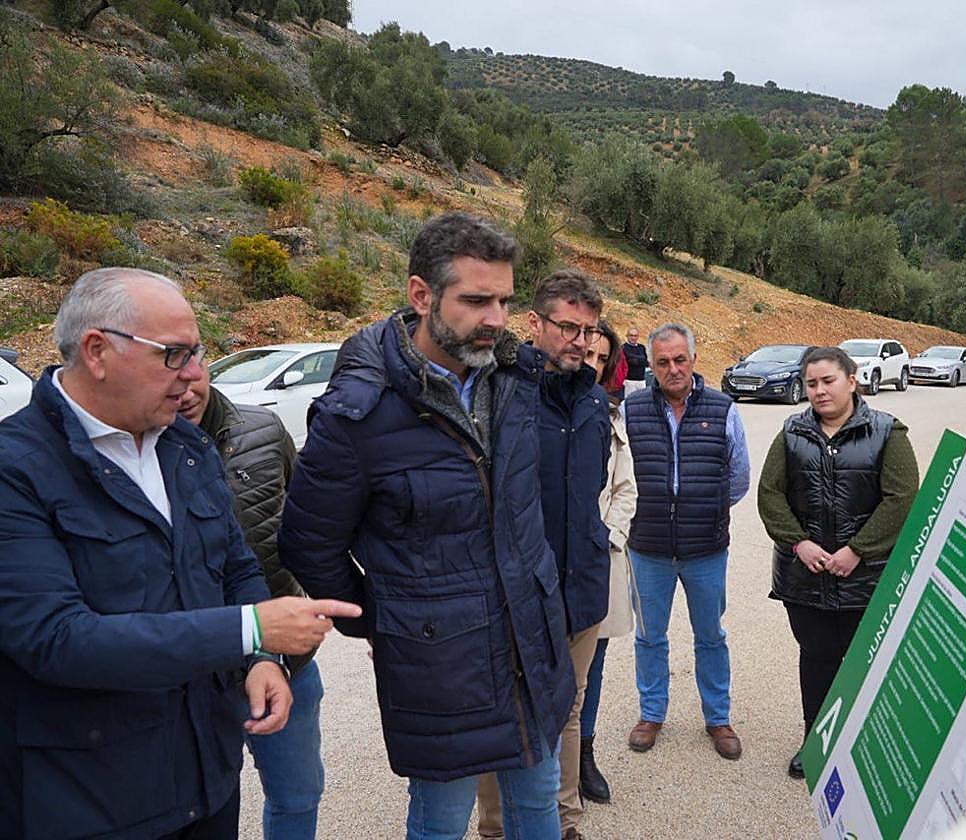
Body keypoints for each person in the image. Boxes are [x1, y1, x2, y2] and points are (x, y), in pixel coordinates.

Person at [0, 268, 357, 840]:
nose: (195, 376)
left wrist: (261, 658)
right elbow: (56, 639)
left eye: (198, 354)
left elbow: (236, 565)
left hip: (206, 786)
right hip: (89, 801)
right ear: (97, 351)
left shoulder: (184, 446)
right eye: (174, 355)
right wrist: (249, 628)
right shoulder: (15, 468)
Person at [278, 212, 575, 840]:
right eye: (475, 299)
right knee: (441, 819)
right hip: (440, 664)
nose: (495, 317)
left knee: (540, 803)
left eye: (503, 299)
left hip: (531, 642)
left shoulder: (515, 381)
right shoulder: (356, 415)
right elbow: (308, 542)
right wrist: (387, 612)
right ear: (421, 296)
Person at [476, 269, 612, 840]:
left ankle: (564, 819)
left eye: (589, 330)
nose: (579, 341)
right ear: (534, 323)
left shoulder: (596, 401)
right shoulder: (502, 391)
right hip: (517, 590)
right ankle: (494, 826)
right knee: (505, 711)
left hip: (582, 587)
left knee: (569, 711)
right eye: (567, 327)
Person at [756, 346, 919, 780]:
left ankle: (864, 744)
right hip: (804, 580)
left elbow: (902, 498)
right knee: (817, 659)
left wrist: (858, 550)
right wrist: (798, 544)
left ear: (852, 380)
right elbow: (770, 494)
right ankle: (816, 740)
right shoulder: (792, 434)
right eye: (812, 383)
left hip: (866, 580)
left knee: (865, 663)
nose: (820, 390)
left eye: (828, 381)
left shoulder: (887, 432)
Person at [181, 363, 326, 839]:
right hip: (192, 668)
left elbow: (304, 522)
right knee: (201, 806)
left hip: (285, 660)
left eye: (192, 361)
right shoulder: (136, 447)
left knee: (298, 794)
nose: (184, 386)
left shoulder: (264, 430)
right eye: (167, 363)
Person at [623, 322, 750, 761]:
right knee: (649, 637)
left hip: (705, 550)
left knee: (711, 636)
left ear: (694, 360)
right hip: (648, 548)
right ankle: (651, 713)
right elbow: (620, 477)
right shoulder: (631, 410)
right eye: (663, 362)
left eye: (680, 359)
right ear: (652, 366)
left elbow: (738, 478)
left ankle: (718, 718)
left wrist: (706, 509)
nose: (672, 368)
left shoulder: (724, 408)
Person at [578, 320, 638, 804]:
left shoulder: (614, 417)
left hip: (602, 559)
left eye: (602, 359)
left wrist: (608, 536)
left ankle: (583, 753)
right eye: (586, 355)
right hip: (550, 561)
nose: (591, 366)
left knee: (593, 666)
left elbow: (626, 489)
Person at [622, 326, 648, 395]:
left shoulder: (642, 347)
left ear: (638, 337)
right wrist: (641, 359)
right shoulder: (624, 347)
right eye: (631, 335)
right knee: (630, 402)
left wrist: (635, 359)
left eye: (635, 336)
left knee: (643, 401)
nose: (633, 338)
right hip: (629, 381)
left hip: (641, 381)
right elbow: (630, 361)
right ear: (627, 336)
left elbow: (645, 362)